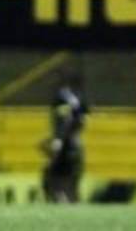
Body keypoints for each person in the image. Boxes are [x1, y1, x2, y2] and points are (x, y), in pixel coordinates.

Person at [42, 74, 90, 203]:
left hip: (65, 142)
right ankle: (71, 198)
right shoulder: (78, 98)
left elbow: (63, 120)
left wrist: (58, 138)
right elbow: (83, 119)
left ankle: (60, 198)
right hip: (73, 142)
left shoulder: (61, 98)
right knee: (72, 173)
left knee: (54, 173)